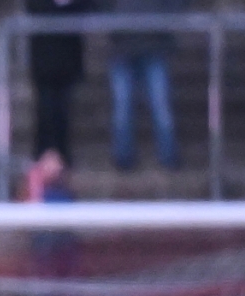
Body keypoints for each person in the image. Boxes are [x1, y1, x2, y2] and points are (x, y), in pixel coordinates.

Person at [107, 0, 183, 171]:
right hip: (123, 45)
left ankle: (167, 155)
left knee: (159, 104)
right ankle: (124, 156)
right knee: (123, 106)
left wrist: (165, 17)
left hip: (153, 43)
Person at [28, 0, 94, 166]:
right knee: (45, 110)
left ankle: (62, 154)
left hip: (67, 59)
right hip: (44, 60)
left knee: (62, 111)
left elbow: (86, 8)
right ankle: (43, 153)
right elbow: (35, 8)